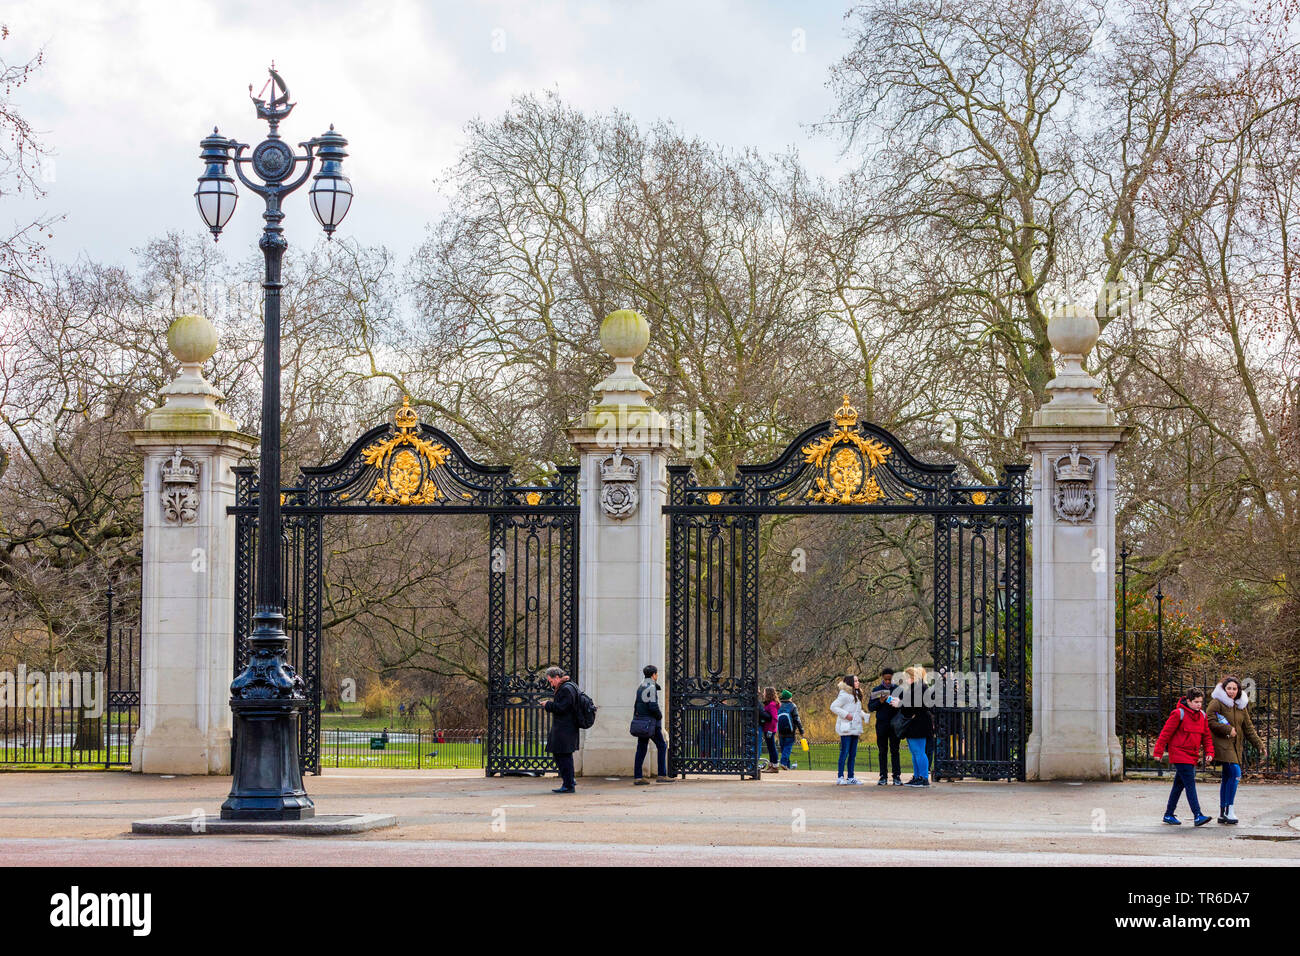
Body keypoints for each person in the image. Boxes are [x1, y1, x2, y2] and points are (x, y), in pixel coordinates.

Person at [1153, 687, 1215, 826]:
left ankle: (1169, 814)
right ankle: (1197, 815)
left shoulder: (1203, 716)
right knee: (1190, 784)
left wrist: (1210, 752)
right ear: (1188, 701)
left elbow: (1206, 737)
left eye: (1200, 702)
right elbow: (1165, 734)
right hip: (1179, 754)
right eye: (1196, 702)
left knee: (1178, 785)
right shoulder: (1178, 714)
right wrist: (1158, 752)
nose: (1199, 704)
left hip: (1192, 754)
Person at [1205, 675, 1262, 825]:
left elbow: (1248, 728)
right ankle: (1230, 810)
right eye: (1228, 688)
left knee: (1227, 777)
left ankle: (1223, 811)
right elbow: (1209, 721)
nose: (1231, 691)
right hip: (1222, 744)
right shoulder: (1216, 703)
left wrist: (1259, 745)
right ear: (1224, 689)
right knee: (1236, 773)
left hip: (1235, 745)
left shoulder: (1241, 706)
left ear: (1238, 690)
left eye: (1234, 689)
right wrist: (1228, 729)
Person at [889, 666, 933, 787]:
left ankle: (923, 778)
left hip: (919, 724)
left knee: (919, 752)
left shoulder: (920, 688)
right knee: (915, 752)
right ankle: (917, 776)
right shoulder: (916, 688)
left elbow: (915, 706)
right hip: (915, 723)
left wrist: (900, 703)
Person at [633, 664, 674, 784]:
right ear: (654, 675)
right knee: (662, 746)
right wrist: (659, 716)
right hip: (651, 723)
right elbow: (652, 706)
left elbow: (636, 705)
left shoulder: (641, 686)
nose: (657, 676)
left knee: (641, 748)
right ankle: (662, 775)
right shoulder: (651, 687)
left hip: (642, 722)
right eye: (657, 674)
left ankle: (638, 776)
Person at [541, 665, 579, 793]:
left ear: (557, 677)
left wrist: (548, 704)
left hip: (565, 728)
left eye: (551, 681)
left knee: (563, 756)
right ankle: (569, 781)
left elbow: (563, 708)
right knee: (562, 755)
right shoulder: (568, 686)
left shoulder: (566, 689)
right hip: (566, 727)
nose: (550, 684)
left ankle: (568, 784)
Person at [830, 674, 869, 785]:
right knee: (845, 752)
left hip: (855, 727)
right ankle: (840, 777)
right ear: (850, 683)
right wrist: (846, 714)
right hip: (846, 728)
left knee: (853, 753)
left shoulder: (856, 694)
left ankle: (851, 777)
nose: (858, 682)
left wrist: (864, 715)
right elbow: (833, 706)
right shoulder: (844, 695)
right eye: (856, 681)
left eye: (858, 680)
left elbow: (856, 710)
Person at [868, 667, 902, 785]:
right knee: (882, 750)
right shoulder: (876, 689)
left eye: (890, 679)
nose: (888, 682)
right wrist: (880, 702)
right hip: (882, 724)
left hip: (894, 724)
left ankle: (896, 776)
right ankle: (883, 776)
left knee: (895, 750)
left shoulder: (898, 689)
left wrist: (896, 703)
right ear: (882, 677)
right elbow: (870, 707)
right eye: (886, 679)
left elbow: (903, 706)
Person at [776, 690, 804, 769]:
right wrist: (801, 730)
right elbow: (797, 719)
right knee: (788, 747)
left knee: (783, 748)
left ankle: (787, 766)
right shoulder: (792, 706)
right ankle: (783, 763)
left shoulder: (778, 705)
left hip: (780, 731)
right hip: (790, 731)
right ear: (789, 698)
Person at [760, 686, 781, 773]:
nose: (763, 694)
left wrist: (770, 730)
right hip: (767, 728)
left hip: (770, 729)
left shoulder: (772, 705)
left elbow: (774, 718)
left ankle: (775, 766)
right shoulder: (769, 704)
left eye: (764, 692)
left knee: (772, 748)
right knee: (770, 747)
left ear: (768, 694)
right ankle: (771, 765)